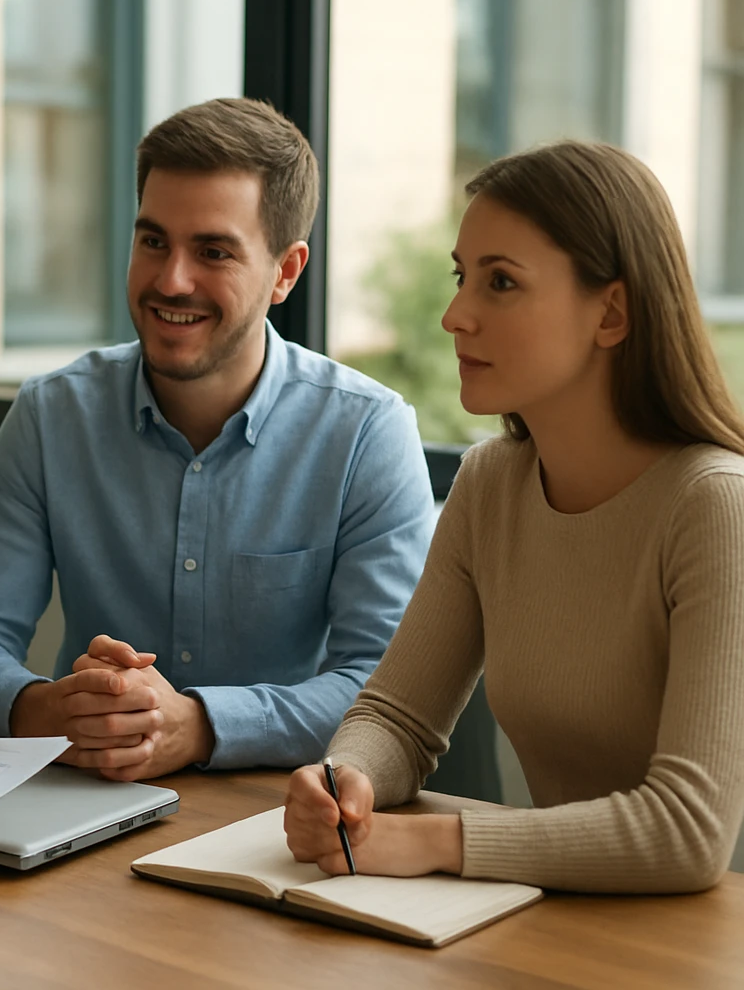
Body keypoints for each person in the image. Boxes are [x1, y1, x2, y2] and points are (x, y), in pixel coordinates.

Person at [0, 98, 435, 782]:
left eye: (213, 251)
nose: (170, 280)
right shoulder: (52, 414)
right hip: (85, 805)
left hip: (276, 821)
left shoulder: (367, 432)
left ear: (286, 272)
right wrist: (48, 709)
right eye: (153, 241)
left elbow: (386, 695)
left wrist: (199, 725)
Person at [284, 141, 744, 894]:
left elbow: (686, 831)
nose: (454, 315)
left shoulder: (716, 506)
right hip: (556, 923)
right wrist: (346, 781)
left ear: (613, 312)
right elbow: (398, 716)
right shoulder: (491, 483)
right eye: (463, 277)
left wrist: (429, 842)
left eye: (501, 282)